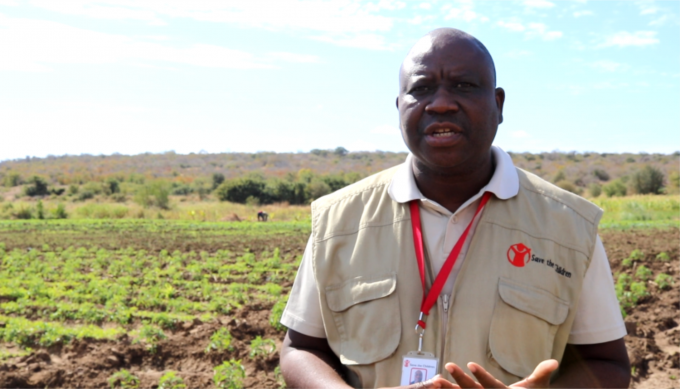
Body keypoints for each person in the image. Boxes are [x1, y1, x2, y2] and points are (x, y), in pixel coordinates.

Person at [279, 28, 630, 389]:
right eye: (421, 88)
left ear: (498, 105)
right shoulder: (339, 220)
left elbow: (606, 363)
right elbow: (301, 349)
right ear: (399, 107)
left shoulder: (569, 227)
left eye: (463, 86)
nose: (441, 103)